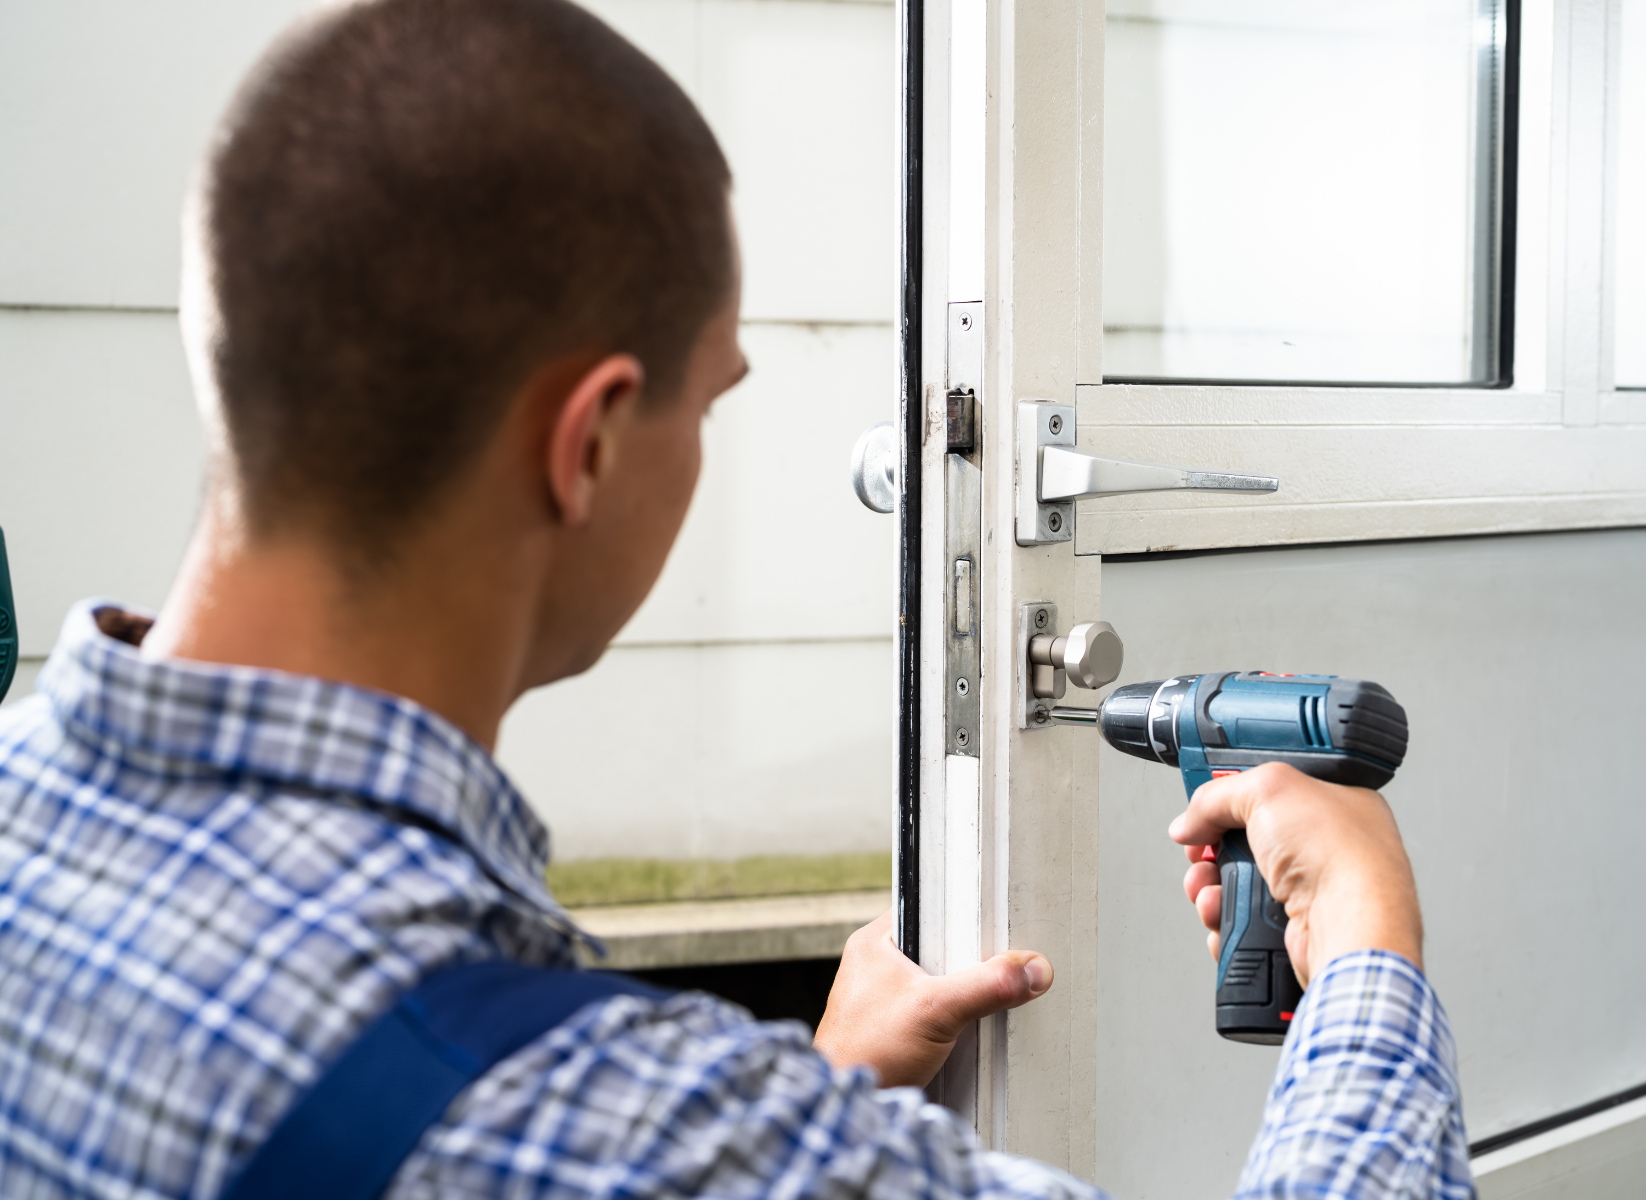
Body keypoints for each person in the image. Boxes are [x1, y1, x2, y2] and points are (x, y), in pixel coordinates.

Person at [0, 0, 1472, 1196]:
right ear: (585, 443)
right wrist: (1363, 941)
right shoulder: (603, 1122)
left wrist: (818, 1100)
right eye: (711, 403)